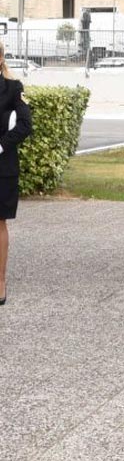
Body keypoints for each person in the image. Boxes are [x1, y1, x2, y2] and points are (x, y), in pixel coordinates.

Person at [0, 41, 32, 306]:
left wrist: (1, 145)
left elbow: (25, 125)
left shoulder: (13, 89)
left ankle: (0, 280)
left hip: (2, 166)